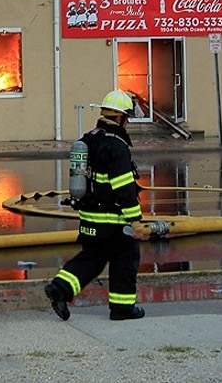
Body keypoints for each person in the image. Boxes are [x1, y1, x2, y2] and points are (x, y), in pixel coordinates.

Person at [44, 89, 146, 321]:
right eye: (127, 118)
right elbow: (124, 188)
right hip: (113, 221)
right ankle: (122, 308)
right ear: (120, 118)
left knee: (93, 258)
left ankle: (60, 288)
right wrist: (135, 221)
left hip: (90, 218)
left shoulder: (88, 139)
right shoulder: (116, 146)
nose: (127, 123)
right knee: (126, 259)